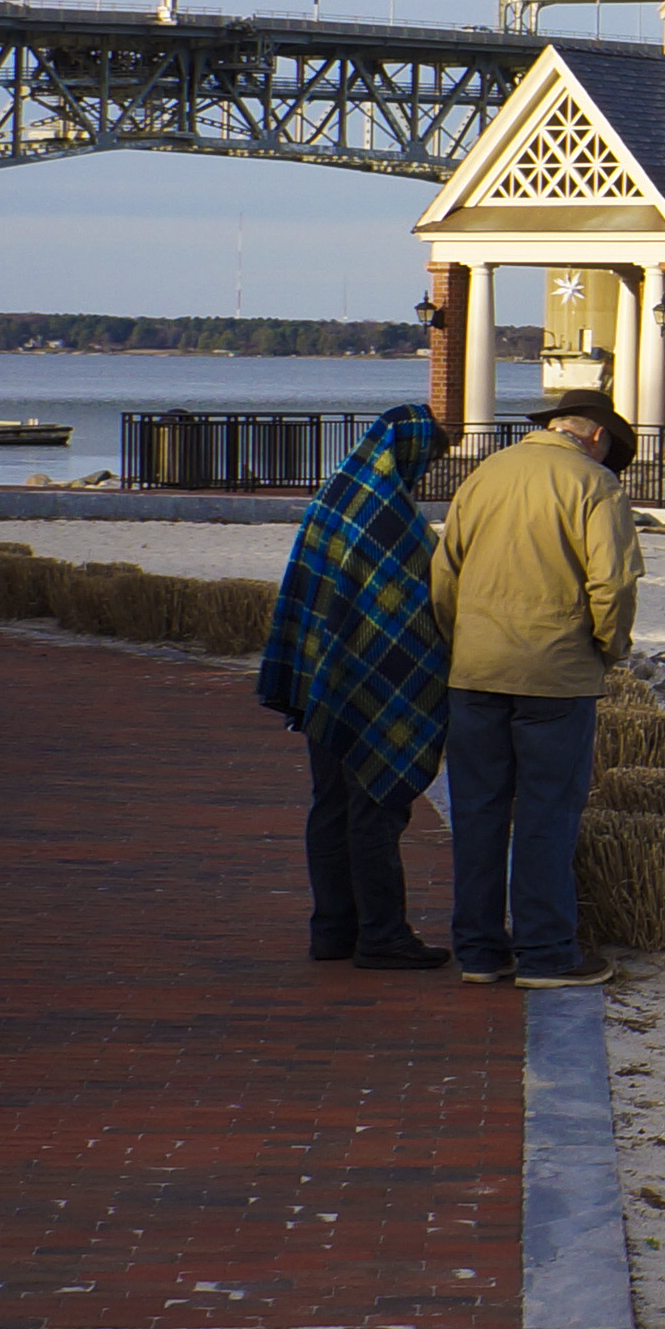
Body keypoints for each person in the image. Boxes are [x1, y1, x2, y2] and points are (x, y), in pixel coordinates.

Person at [435, 396, 644, 988]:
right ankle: (547, 952)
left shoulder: (485, 474)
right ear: (597, 436)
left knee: (477, 812)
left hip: (475, 671)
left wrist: (462, 643)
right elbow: (613, 582)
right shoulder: (594, 484)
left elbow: (445, 573)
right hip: (556, 674)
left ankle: (477, 949)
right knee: (547, 813)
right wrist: (609, 648)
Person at [254, 406, 452, 968]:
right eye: (426, 460)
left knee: (330, 803)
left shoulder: (333, 499)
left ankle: (333, 930)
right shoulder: (390, 514)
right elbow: (421, 600)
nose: (425, 472)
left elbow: (316, 591)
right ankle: (382, 935)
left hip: (328, 676)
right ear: (407, 452)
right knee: (377, 803)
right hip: (379, 684)